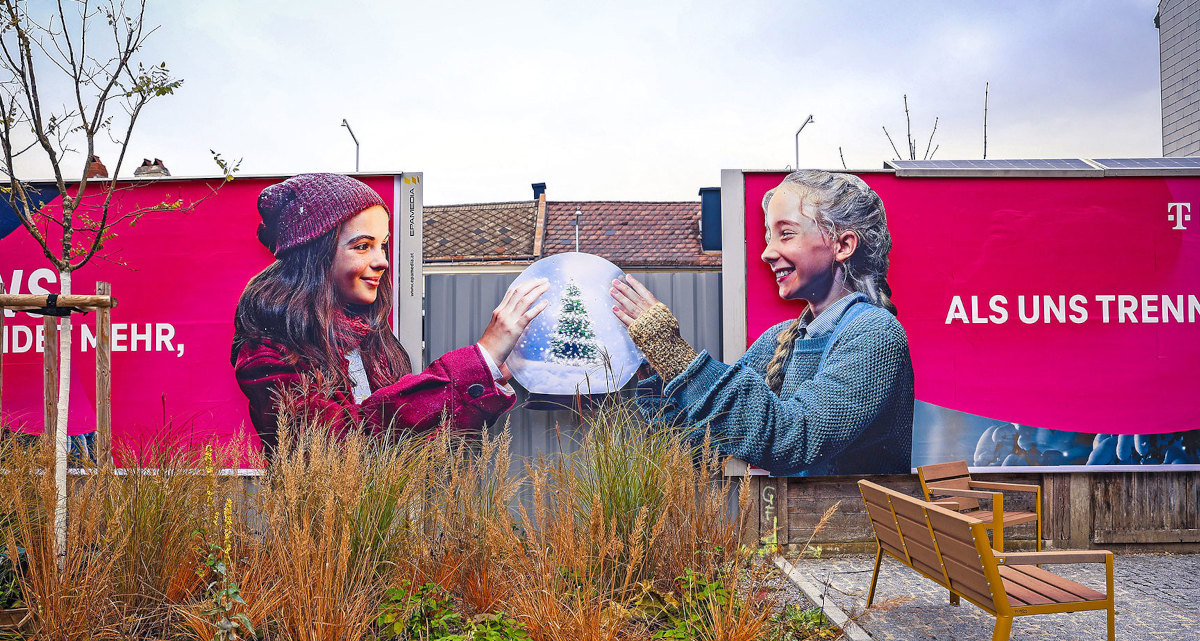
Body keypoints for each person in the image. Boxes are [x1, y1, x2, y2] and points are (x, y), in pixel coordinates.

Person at [610, 169, 913, 476]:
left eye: (787, 233)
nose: (767, 253)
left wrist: (674, 353)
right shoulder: (779, 339)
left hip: (854, 525)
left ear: (843, 245)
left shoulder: (876, 334)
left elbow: (792, 440)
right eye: (769, 236)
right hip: (783, 523)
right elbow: (705, 447)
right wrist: (655, 366)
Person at [232, 173, 548, 451]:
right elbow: (345, 442)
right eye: (362, 246)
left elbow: (420, 443)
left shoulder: (368, 337)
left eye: (382, 245)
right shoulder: (267, 354)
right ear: (315, 255)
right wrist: (476, 360)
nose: (382, 260)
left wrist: (487, 373)